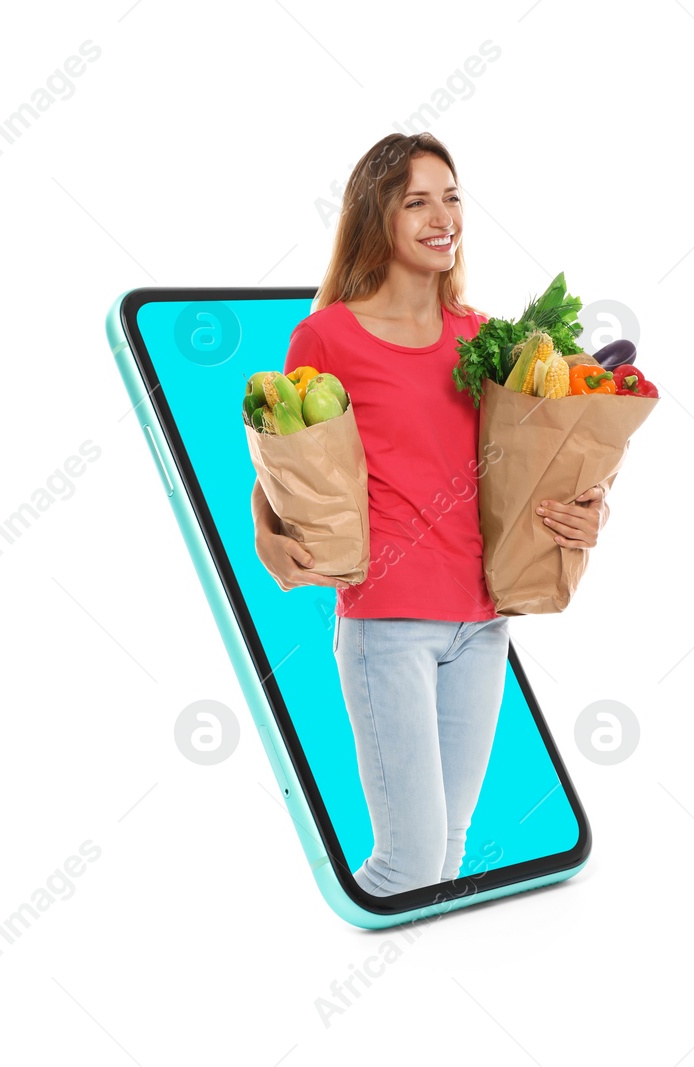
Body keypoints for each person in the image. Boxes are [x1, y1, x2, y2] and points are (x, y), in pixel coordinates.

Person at [251, 132, 609, 896]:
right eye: (417, 201)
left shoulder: (485, 340)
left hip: (482, 625)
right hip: (387, 626)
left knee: (445, 853)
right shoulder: (328, 335)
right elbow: (287, 457)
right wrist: (265, 533)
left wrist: (590, 503)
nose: (442, 215)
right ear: (375, 216)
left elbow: (529, 464)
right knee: (407, 864)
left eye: (451, 196)